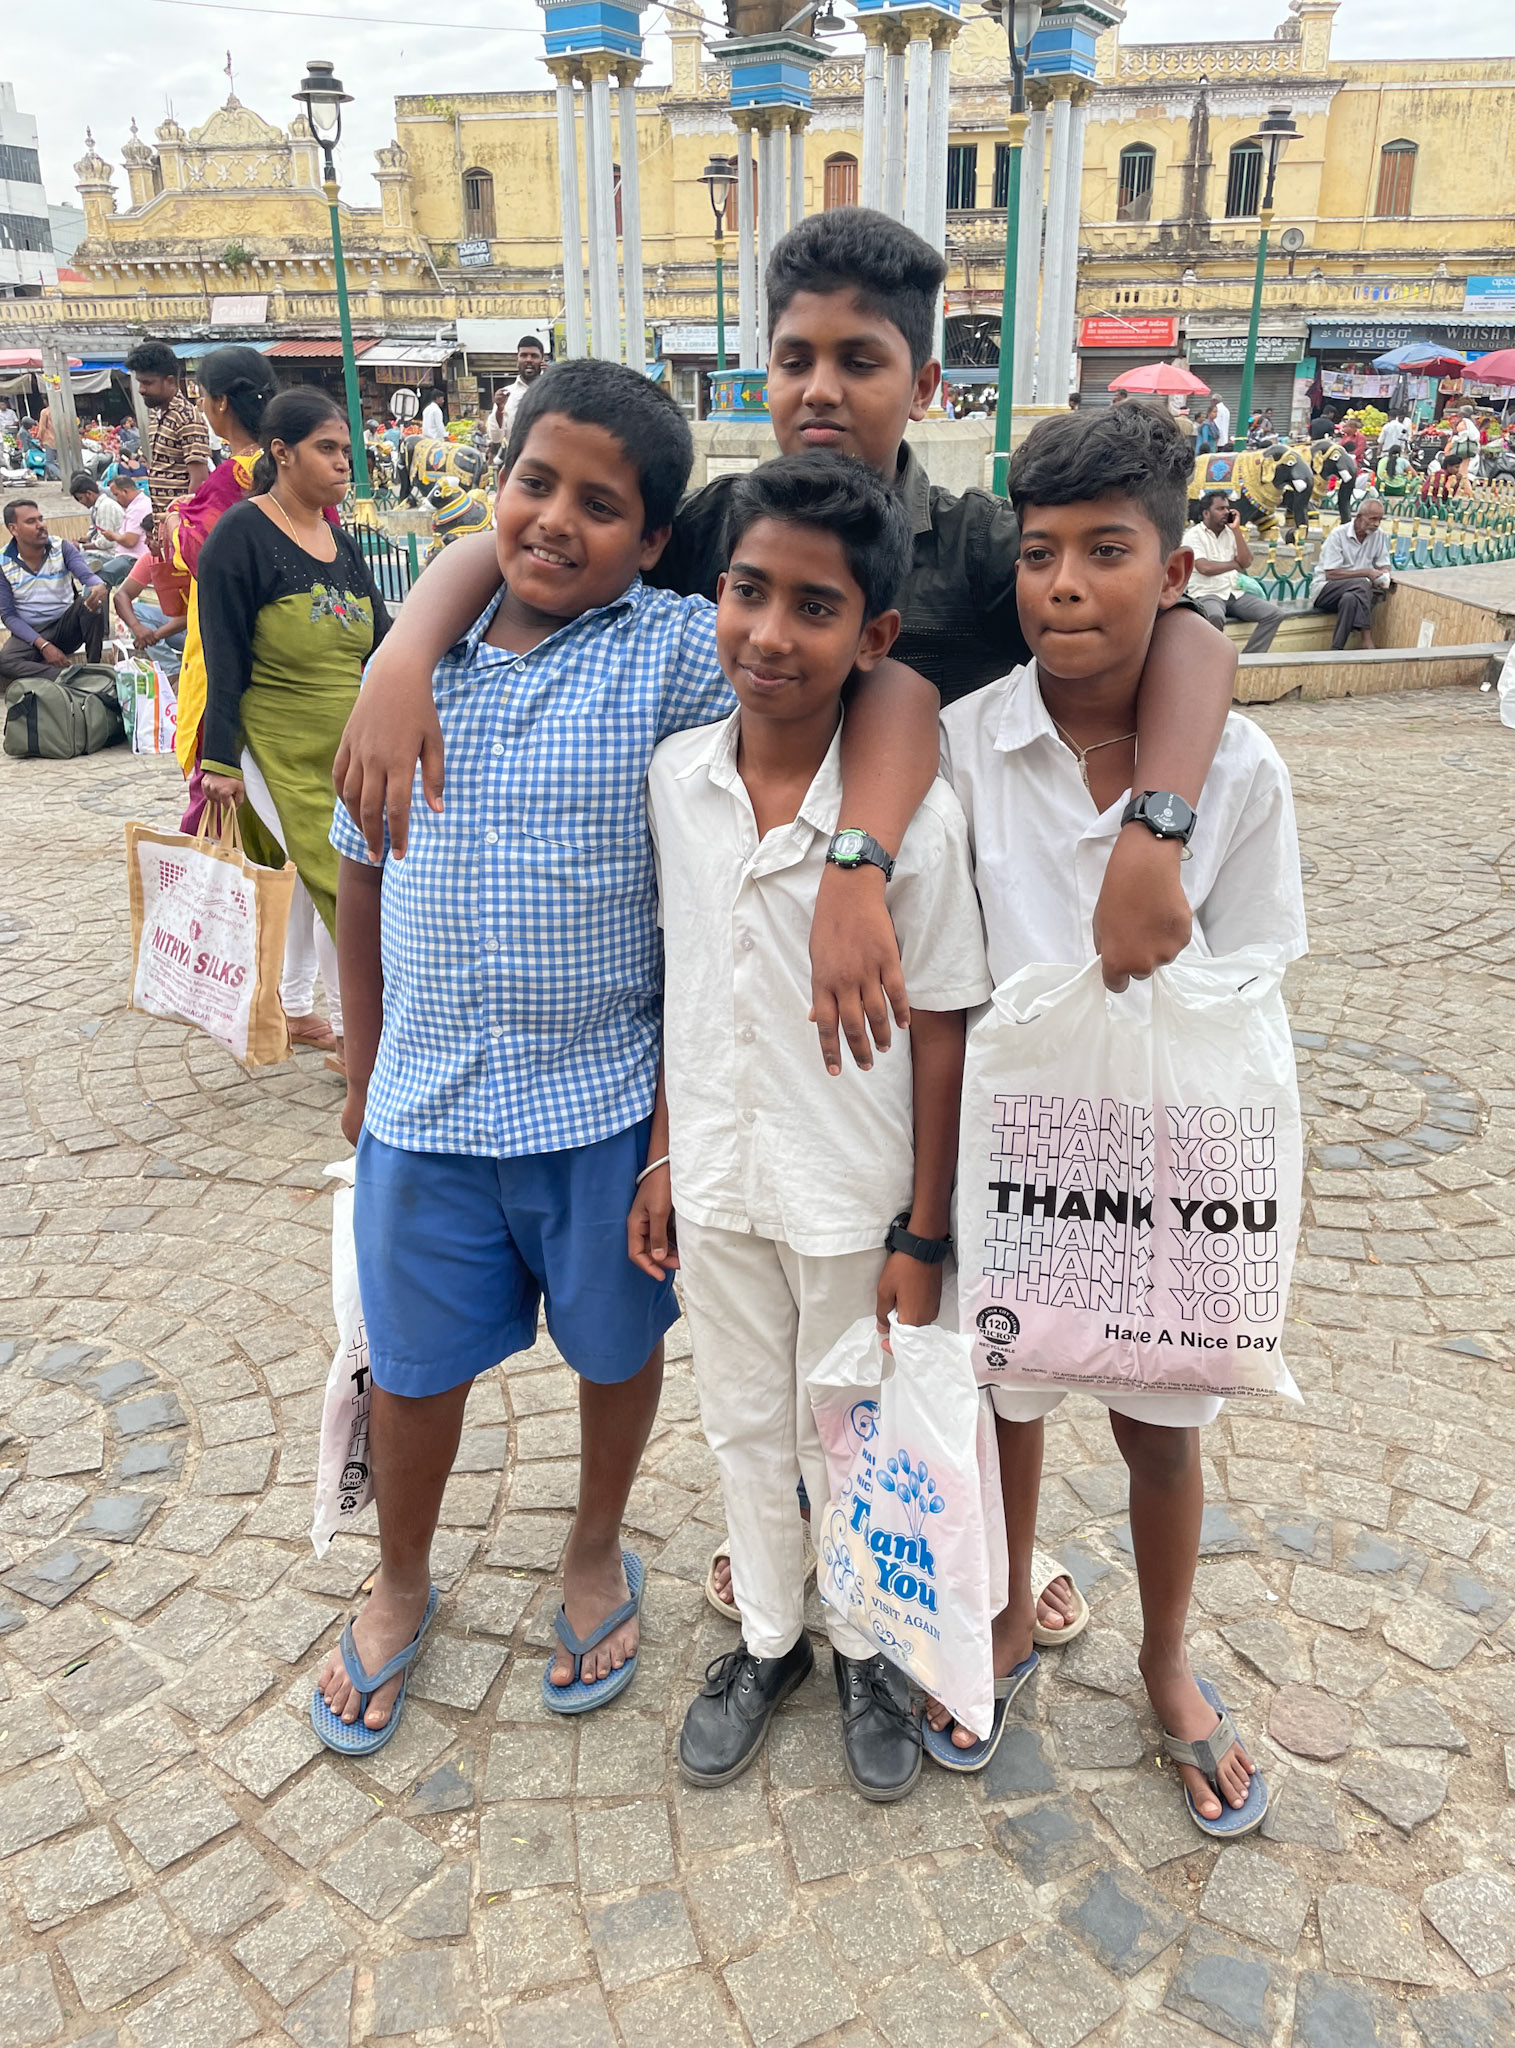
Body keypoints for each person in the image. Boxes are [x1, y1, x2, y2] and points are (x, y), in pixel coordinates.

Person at [329, 205, 1238, 1634]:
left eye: (860, 361)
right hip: (757, 985)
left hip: (933, 971)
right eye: (795, 357)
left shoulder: (974, 540)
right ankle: (785, 1541)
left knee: (932, 1291)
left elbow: (1173, 626)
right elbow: (533, 540)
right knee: (774, 1325)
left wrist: (1148, 826)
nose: (822, 388)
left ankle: (972, 1544)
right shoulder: (714, 521)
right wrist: (403, 649)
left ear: (924, 384)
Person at [311, 356, 945, 1750]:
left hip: (601, 1106)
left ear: (657, 541)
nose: (554, 521)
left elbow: (885, 686)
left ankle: (596, 1547)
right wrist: (408, 647)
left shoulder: (671, 648)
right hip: (424, 1102)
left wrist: (857, 858)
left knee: (616, 1349)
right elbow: (359, 875)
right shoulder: (408, 675)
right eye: (531, 484)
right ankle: (400, 1576)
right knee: (410, 1367)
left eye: (600, 506)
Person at [935, 402, 1306, 1835]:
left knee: (1163, 1425)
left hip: (1169, 1158)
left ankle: (1164, 1657)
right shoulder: (971, 747)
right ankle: (1006, 1610)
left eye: (1107, 550)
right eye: (1040, 555)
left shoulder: (1239, 771)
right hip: (1017, 1156)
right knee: (1009, 1397)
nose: (1067, 585)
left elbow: (1256, 975)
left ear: (1174, 568)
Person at [635, 453, 991, 1799]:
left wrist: (925, 1228)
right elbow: (685, 978)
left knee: (854, 1430)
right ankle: (771, 1637)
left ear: (875, 635)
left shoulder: (914, 825)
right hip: (720, 1178)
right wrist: (666, 1151)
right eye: (748, 591)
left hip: (854, 1195)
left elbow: (945, 1021)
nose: (771, 633)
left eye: (815, 607)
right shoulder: (678, 781)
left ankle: (866, 1647)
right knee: (742, 1420)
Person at [195, 390, 388, 1076]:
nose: (343, 465)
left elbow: (384, 642)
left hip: (344, 749)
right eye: (326, 449)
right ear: (281, 452)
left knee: (308, 876)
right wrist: (219, 760)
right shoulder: (240, 537)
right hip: (272, 748)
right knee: (337, 878)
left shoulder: (341, 541)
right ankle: (356, 1038)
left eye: (346, 452)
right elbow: (223, 658)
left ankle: (295, 1006)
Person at [161, 343, 280, 826]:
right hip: (288, 644)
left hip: (232, 643)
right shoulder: (288, 466)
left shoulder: (235, 477)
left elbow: (207, 557)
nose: (201, 405)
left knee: (220, 813)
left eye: (203, 395)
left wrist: (175, 523)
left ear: (222, 402)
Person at [0, 498, 108, 679]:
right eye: (31, 521)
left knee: (91, 602)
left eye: (40, 519)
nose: (41, 525)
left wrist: (97, 585)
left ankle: (94, 667)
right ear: (13, 529)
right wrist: (43, 645)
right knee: (5, 662)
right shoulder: (3, 562)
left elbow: (86, 575)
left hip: (67, 626)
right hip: (32, 633)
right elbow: (8, 615)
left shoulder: (62, 547)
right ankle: (73, 678)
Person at [124, 340, 211, 534]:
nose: (141, 389)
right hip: (164, 525)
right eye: (140, 382)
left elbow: (199, 480)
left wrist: (184, 527)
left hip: (180, 528)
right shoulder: (157, 415)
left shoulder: (187, 417)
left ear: (170, 381)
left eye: (148, 383)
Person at [1182, 491, 1282, 654]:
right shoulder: (1193, 535)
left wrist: (1236, 531)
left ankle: (1250, 659)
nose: (1226, 512)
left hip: (1234, 593)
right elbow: (1204, 568)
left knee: (1273, 614)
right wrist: (1235, 565)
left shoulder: (1231, 533)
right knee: (1215, 616)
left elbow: (1246, 561)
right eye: (1220, 509)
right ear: (1206, 513)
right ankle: (1211, 660)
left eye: (1227, 508)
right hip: (1207, 593)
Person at [1311, 495, 1392, 648]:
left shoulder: (1378, 535)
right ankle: (1366, 637)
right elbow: (1331, 574)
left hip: (1354, 592)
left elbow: (1384, 564)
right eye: (1373, 519)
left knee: (1350, 599)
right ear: (1360, 517)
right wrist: (1366, 573)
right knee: (1362, 583)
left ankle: (1336, 649)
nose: (1376, 524)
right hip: (1325, 590)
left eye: (1380, 520)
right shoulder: (1338, 535)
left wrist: (1383, 575)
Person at [112, 551, 188, 682]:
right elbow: (120, 596)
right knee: (135, 611)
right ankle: (173, 672)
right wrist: (137, 627)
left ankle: (176, 675)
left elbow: (194, 613)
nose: (147, 542)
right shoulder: (152, 558)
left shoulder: (190, 555)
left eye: (153, 539)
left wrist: (155, 635)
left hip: (204, 631)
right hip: (180, 630)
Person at [70, 471, 137, 587]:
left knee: (75, 557)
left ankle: (87, 566)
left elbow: (106, 543)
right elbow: (96, 531)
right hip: (105, 551)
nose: (81, 503)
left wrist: (81, 547)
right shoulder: (96, 508)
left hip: (112, 554)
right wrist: (86, 539)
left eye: (81, 498)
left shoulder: (106, 507)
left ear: (89, 494)